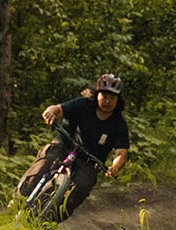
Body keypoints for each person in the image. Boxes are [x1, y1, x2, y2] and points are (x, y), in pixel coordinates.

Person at [16, 72, 130, 216]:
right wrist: (50, 113)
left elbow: (121, 153)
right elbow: (58, 109)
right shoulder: (83, 104)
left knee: (79, 188)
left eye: (112, 98)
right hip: (64, 145)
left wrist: (115, 166)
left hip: (89, 162)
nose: (107, 101)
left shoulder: (119, 124)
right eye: (104, 96)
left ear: (118, 100)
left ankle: (46, 221)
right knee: (44, 164)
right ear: (97, 95)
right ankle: (17, 202)